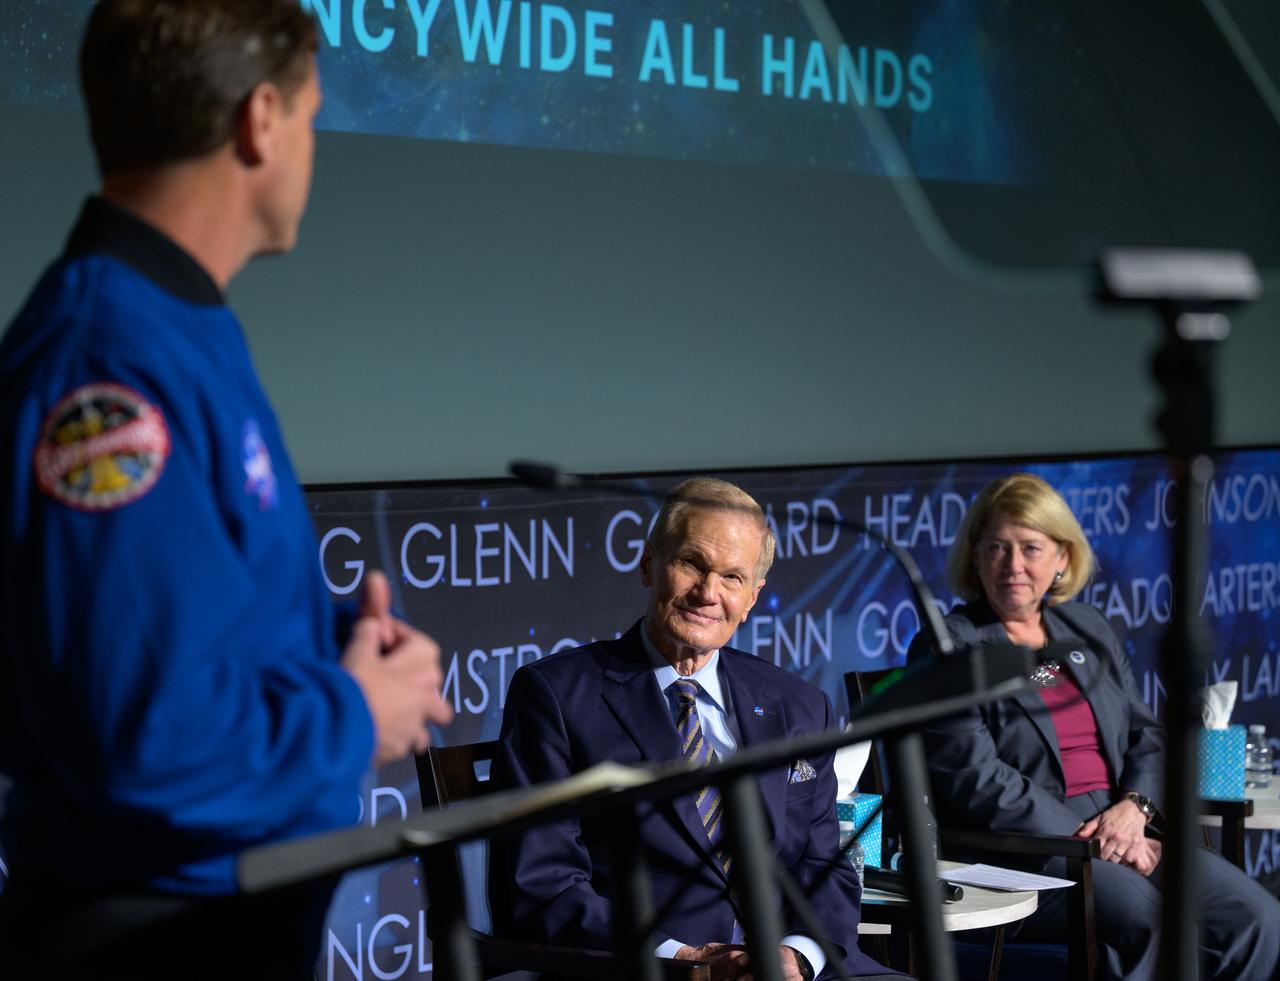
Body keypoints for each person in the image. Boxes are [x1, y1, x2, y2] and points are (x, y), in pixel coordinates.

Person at [0, 2, 453, 976]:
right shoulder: (109, 365)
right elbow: (147, 742)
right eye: (312, 116)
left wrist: (336, 643)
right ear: (258, 120)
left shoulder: (174, 323)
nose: (312, 147)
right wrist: (353, 712)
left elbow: (172, 620)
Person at [490, 477, 898, 980]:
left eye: (732, 577)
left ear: (752, 597)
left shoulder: (798, 705)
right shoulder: (555, 695)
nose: (708, 593)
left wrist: (798, 956)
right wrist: (683, 961)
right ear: (647, 565)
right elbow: (541, 883)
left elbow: (826, 864)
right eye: (691, 564)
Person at [908, 472, 1280, 980]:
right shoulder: (950, 646)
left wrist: (1136, 809)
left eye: (1031, 548)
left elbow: (1146, 734)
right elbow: (974, 779)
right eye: (997, 547)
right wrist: (1091, 840)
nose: (1013, 566)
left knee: (1256, 919)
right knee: (1156, 924)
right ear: (975, 556)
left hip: (1126, 825)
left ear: (1062, 557)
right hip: (1032, 849)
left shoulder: (1086, 628)